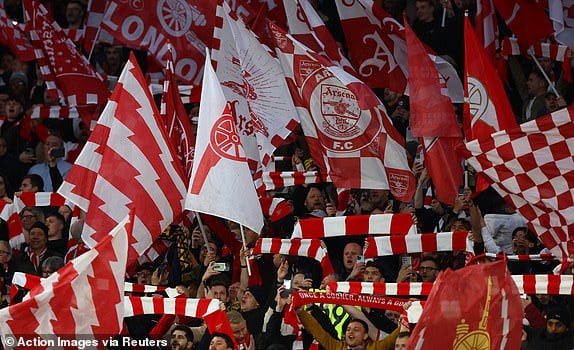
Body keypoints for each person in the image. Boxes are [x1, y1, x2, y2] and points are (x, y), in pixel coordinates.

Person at [296, 306, 399, 350]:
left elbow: (393, 338)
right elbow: (317, 331)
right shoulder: (338, 347)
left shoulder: (376, 348)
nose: (351, 332)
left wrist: (408, 315)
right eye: (348, 329)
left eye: (356, 330)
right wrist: (301, 312)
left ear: (365, 335)